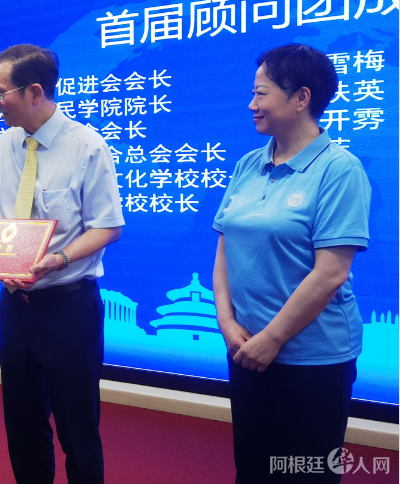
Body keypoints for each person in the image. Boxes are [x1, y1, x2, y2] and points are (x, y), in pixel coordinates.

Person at [0, 44, 124, 484]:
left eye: (0, 92)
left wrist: (58, 259)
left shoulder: (87, 147)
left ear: (34, 92)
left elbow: (108, 228)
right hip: (14, 307)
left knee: (77, 431)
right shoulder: (5, 143)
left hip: (68, 308)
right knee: (23, 427)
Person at [212, 44, 371, 483]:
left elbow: (331, 272)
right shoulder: (249, 164)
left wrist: (272, 339)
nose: (252, 104)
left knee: (306, 473)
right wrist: (227, 323)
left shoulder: (340, 169)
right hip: (246, 350)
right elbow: (225, 249)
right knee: (255, 470)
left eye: (261, 93)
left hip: (312, 359)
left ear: (301, 98)